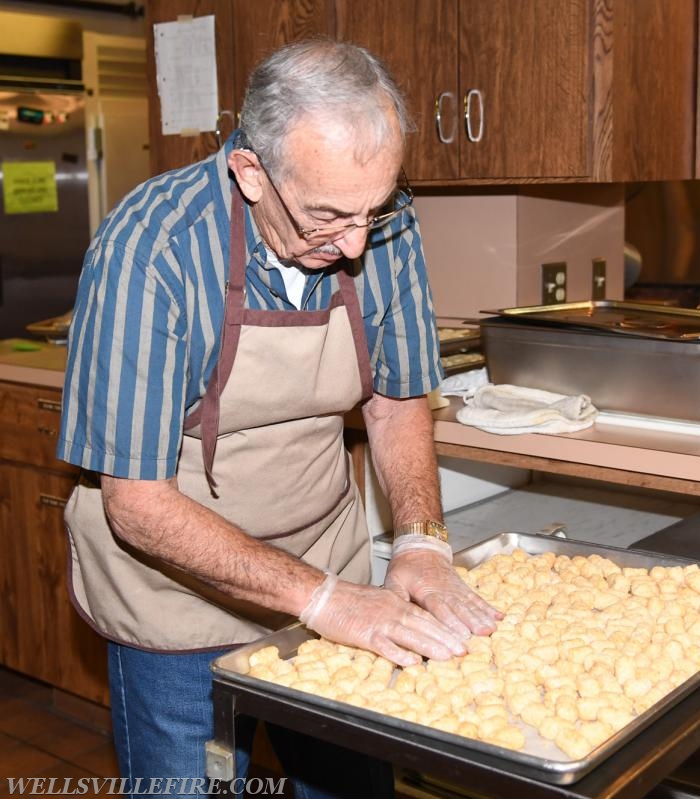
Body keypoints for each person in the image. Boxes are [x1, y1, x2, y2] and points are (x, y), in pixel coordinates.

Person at [56, 38, 500, 798]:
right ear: (252, 173)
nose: (358, 242)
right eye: (328, 217)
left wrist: (422, 539)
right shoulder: (152, 250)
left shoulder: (377, 222)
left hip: (327, 556)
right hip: (176, 600)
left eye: (374, 208)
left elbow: (394, 399)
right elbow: (137, 504)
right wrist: (320, 599)